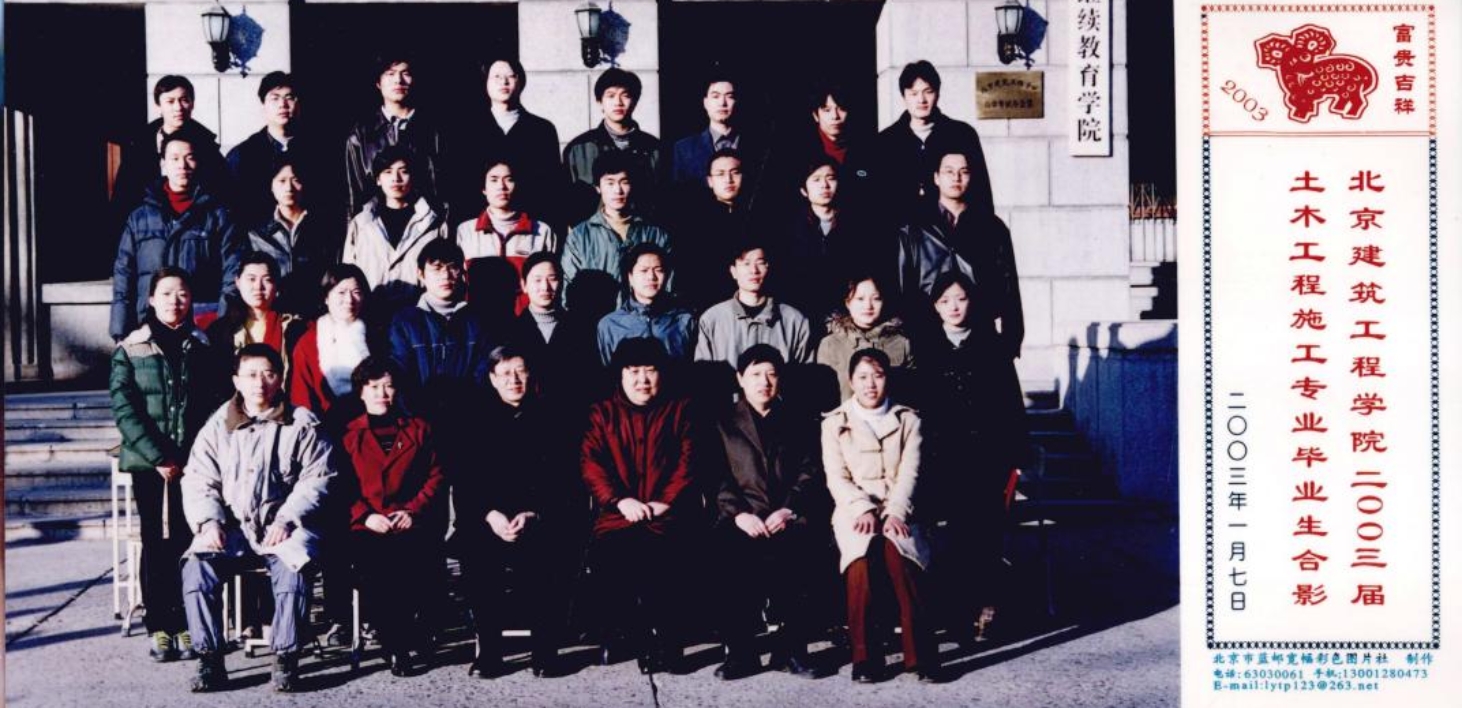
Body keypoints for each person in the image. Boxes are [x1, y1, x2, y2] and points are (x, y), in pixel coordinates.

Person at [179, 343, 337, 693]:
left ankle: (286, 658)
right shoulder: (218, 425)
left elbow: (318, 478)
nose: (260, 383)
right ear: (236, 380)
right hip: (232, 527)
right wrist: (209, 521)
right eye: (251, 375)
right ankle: (209, 659)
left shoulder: (302, 422)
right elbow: (199, 478)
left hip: (286, 524)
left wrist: (288, 518)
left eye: (268, 374)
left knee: (294, 569)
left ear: (280, 378)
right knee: (197, 567)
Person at [109, 266, 225, 663]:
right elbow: (126, 410)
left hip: (194, 464)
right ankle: (159, 625)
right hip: (152, 467)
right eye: (167, 293)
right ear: (151, 299)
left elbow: (214, 404)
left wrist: (195, 456)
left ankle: (186, 622)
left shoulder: (202, 345)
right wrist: (160, 456)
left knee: (188, 540)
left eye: (183, 293)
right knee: (157, 542)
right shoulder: (131, 349)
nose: (175, 301)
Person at [451, 347, 580, 679]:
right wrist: (491, 515)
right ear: (492, 379)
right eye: (505, 373)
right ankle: (490, 651)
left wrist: (533, 514)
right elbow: (465, 481)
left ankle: (544, 651)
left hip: (538, 517)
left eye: (520, 371)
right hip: (488, 520)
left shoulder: (552, 418)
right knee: (477, 557)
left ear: (530, 375)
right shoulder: (472, 420)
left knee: (554, 554)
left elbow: (564, 480)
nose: (514, 380)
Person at [918, 271, 1028, 636]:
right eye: (945, 300)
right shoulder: (925, 346)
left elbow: (1010, 403)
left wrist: (1017, 457)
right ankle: (955, 612)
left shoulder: (991, 345)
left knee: (984, 534)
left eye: (961, 299)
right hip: (942, 458)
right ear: (935, 306)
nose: (954, 307)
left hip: (986, 457)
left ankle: (986, 607)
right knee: (952, 537)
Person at [710, 345, 828, 680]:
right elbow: (714, 474)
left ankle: (791, 651)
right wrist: (738, 513)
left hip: (787, 516)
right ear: (740, 379)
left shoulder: (799, 419)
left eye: (771, 374)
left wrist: (789, 509)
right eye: (756, 374)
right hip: (740, 518)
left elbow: (810, 470)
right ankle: (742, 653)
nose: (764, 382)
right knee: (729, 560)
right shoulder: (721, 422)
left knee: (802, 557)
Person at [821, 348, 938, 684]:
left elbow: (911, 472)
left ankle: (921, 656)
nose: (870, 384)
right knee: (860, 563)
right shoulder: (834, 423)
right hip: (854, 510)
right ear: (851, 381)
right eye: (862, 377)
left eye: (878, 376)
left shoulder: (909, 420)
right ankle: (865, 658)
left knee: (903, 559)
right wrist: (863, 508)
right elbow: (836, 476)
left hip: (900, 508)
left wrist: (896, 511)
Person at [581, 337, 697, 674]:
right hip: (617, 517)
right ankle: (632, 636)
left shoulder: (680, 410)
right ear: (620, 375)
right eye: (633, 371)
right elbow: (591, 464)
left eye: (650, 371)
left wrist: (666, 501)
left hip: (668, 515)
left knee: (668, 557)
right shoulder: (602, 413)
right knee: (615, 558)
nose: (642, 380)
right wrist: (620, 501)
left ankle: (669, 640)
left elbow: (689, 461)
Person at [338, 357, 446, 677]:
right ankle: (396, 645)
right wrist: (365, 516)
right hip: (366, 526)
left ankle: (419, 631)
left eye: (388, 386)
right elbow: (339, 485)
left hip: (410, 519)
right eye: (373, 387)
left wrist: (413, 509)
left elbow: (436, 475)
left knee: (418, 558)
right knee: (378, 566)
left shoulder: (419, 428)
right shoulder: (347, 435)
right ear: (361, 392)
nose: (382, 394)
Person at [110, 134, 243, 341]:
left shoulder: (217, 216)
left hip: (202, 325)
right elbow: (123, 276)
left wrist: (221, 322)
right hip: (148, 324)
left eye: (190, 158)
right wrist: (121, 331)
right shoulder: (140, 217)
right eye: (174, 158)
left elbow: (233, 272)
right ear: (163, 164)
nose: (182, 165)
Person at [897, 149, 1024, 359]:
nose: (956, 178)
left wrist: (1011, 340)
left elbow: (1009, 287)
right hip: (927, 336)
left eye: (963, 172)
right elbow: (904, 287)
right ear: (936, 178)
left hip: (980, 334)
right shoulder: (914, 228)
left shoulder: (991, 227)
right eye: (949, 171)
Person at [387, 239, 493, 428]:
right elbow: (399, 375)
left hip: (467, 421)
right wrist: (416, 421)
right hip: (417, 425)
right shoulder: (405, 321)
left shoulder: (477, 320)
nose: (445, 275)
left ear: (462, 273)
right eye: (437, 268)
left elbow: (483, 375)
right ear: (421, 275)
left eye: (453, 268)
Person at [874, 60, 994, 219]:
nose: (921, 100)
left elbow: (980, 190)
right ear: (904, 96)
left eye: (928, 91)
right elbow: (879, 200)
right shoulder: (885, 142)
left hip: (951, 230)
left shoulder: (962, 135)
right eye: (914, 93)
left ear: (937, 94)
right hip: (901, 230)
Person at [778, 156, 893, 323]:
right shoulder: (789, 228)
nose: (824, 185)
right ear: (803, 190)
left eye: (830, 178)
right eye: (816, 180)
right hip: (800, 313)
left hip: (847, 315)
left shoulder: (859, 225)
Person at [562, 151, 674, 318]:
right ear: (598, 187)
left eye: (624, 182)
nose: (618, 190)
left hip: (648, 322)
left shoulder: (655, 234)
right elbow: (568, 289)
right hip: (596, 323)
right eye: (610, 183)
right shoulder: (580, 236)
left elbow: (669, 285)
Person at [343, 146, 451, 318]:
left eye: (403, 171)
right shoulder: (361, 223)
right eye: (388, 172)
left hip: (419, 318)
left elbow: (445, 273)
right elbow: (347, 275)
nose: (396, 178)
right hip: (370, 316)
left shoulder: (434, 223)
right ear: (378, 179)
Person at [112, 76, 227, 225]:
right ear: (158, 105)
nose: (178, 108)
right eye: (170, 101)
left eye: (184, 100)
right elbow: (123, 198)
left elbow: (223, 195)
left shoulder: (207, 148)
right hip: (148, 226)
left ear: (192, 104)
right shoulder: (139, 146)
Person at [345, 55, 448, 221]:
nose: (398, 80)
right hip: (375, 226)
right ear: (378, 83)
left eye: (405, 73)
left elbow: (446, 191)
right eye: (390, 73)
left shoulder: (435, 130)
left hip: (428, 225)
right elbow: (353, 194)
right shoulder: (360, 135)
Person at [455, 159, 558, 315]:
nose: (501, 186)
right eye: (494, 180)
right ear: (484, 188)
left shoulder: (541, 231)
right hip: (479, 321)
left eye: (509, 179)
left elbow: (552, 281)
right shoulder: (466, 231)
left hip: (527, 321)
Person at [226, 72, 328, 228]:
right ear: (263, 105)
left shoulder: (320, 152)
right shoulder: (243, 155)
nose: (283, 105)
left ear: (299, 104)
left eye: (289, 97)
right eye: (275, 98)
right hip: (258, 239)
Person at [563, 68, 662, 223]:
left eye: (625, 95)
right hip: (593, 234)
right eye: (611, 96)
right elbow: (568, 203)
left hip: (644, 232)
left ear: (635, 101)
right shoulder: (578, 149)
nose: (618, 102)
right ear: (599, 102)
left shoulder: (655, 149)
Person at [471, 58, 563, 224]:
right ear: (486, 83)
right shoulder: (468, 129)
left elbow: (551, 186)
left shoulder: (541, 130)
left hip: (532, 225)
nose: (504, 82)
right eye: (497, 77)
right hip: (478, 226)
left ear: (521, 82)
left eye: (511, 76)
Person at [246, 159, 342, 317]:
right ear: (271, 186)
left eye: (295, 180)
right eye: (282, 181)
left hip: (316, 314)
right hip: (272, 314)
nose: (289, 188)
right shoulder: (257, 234)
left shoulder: (324, 229)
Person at [695, 241, 813, 368]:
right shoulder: (712, 319)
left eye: (760, 263)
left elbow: (805, 375)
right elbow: (703, 375)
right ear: (733, 271)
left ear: (768, 267)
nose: (754, 270)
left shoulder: (794, 321)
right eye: (746, 263)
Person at [505, 252, 602, 404]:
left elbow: (591, 381)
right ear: (524, 285)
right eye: (537, 280)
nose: (545, 287)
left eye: (552, 279)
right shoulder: (510, 331)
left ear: (561, 283)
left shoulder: (581, 329)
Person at [289, 263, 375, 424]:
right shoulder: (308, 342)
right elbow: (302, 397)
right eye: (341, 292)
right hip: (326, 425)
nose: (349, 300)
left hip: (372, 424)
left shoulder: (376, 336)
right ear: (326, 297)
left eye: (356, 292)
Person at [671, 72, 769, 209]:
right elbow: (679, 197)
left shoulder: (760, 146)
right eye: (715, 96)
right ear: (705, 102)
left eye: (729, 96)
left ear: (737, 102)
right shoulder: (684, 149)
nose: (722, 103)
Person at [673, 148, 753, 313]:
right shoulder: (695, 221)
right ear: (710, 181)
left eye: (735, 173)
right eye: (720, 174)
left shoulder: (754, 216)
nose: (728, 180)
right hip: (709, 303)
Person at [815, 275, 914, 402]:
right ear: (848, 303)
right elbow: (822, 395)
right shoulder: (830, 344)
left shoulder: (901, 343)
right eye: (860, 299)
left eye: (876, 299)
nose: (868, 306)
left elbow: (910, 395)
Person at [206, 253, 306, 374]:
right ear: (238, 282)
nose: (258, 287)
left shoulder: (294, 327)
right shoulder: (220, 330)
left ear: (276, 285)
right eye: (251, 279)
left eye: (267, 280)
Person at [597, 243, 696, 366]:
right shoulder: (610, 325)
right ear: (630, 277)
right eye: (644, 271)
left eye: (658, 270)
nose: (651, 277)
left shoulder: (684, 320)